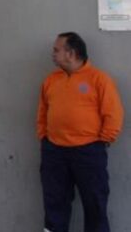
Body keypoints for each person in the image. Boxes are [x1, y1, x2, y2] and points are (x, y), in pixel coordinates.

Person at [37, 32, 123, 232]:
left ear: (71, 53)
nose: (53, 54)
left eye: (56, 50)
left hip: (88, 153)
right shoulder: (51, 80)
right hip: (54, 153)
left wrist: (103, 141)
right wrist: (44, 137)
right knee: (54, 205)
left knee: (95, 206)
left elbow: (113, 113)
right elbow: (42, 112)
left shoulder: (99, 79)